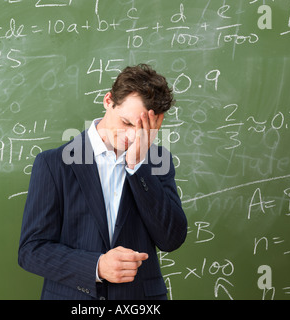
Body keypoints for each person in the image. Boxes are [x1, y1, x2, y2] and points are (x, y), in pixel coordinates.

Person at [18, 64, 187, 300]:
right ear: (108, 101)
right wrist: (96, 266)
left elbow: (171, 239)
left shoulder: (158, 162)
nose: (132, 137)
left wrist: (137, 167)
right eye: (127, 123)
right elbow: (31, 251)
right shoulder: (53, 163)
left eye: (143, 130)